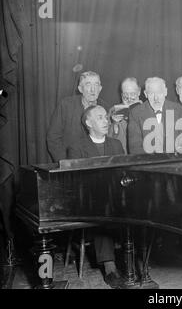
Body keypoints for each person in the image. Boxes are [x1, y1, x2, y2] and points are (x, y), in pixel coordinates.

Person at [67, 105, 126, 289]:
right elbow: (77, 182)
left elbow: (124, 173)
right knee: (103, 209)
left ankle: (133, 262)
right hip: (89, 201)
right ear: (88, 123)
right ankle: (110, 268)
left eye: (105, 117)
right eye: (100, 117)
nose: (105, 120)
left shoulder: (116, 144)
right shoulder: (76, 148)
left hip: (116, 197)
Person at [47, 71, 108, 161]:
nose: (93, 89)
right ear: (80, 89)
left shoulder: (105, 107)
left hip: (97, 164)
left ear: (100, 88)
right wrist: (65, 164)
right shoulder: (66, 105)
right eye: (88, 85)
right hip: (70, 164)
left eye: (96, 85)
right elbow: (53, 138)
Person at [127, 77, 182, 155]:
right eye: (151, 93)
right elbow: (135, 148)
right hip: (149, 164)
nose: (156, 98)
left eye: (159, 93)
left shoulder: (177, 109)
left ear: (165, 92)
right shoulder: (135, 113)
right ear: (145, 94)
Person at [108, 77, 142, 153]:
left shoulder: (148, 109)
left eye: (132, 94)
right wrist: (115, 124)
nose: (129, 98)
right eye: (125, 94)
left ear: (139, 92)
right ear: (121, 94)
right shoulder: (113, 111)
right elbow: (107, 140)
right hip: (121, 157)